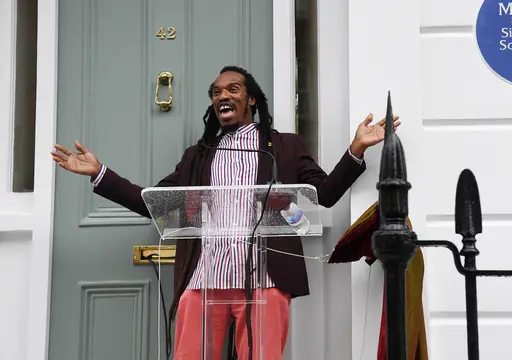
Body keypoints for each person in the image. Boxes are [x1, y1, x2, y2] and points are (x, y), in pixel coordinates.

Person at [51, 66, 400, 360]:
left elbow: (323, 195)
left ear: (250, 99)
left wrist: (356, 149)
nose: (222, 97)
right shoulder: (198, 155)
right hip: (204, 280)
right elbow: (154, 203)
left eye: (232, 89)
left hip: (265, 280)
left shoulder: (284, 145)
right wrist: (100, 173)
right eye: (215, 93)